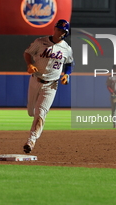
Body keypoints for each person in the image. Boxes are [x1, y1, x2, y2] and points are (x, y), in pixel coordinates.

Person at [23, 19, 74, 153]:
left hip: (51, 85)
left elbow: (69, 63)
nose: (61, 32)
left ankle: (31, 141)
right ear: (54, 29)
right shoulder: (40, 42)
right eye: (59, 29)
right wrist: (29, 64)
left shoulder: (67, 48)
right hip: (35, 80)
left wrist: (66, 74)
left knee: (41, 113)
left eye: (64, 31)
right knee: (31, 112)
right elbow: (27, 52)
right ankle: (33, 128)